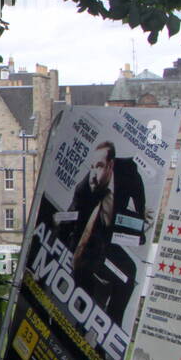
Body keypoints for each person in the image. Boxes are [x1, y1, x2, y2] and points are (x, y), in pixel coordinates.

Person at [60, 140, 146, 343]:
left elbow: (138, 196)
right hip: (86, 245)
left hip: (108, 238)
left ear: (111, 165)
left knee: (129, 273)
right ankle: (80, 335)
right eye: (92, 167)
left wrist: (139, 227)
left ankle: (111, 327)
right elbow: (69, 224)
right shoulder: (84, 190)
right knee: (85, 293)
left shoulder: (128, 171)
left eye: (99, 166)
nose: (93, 174)